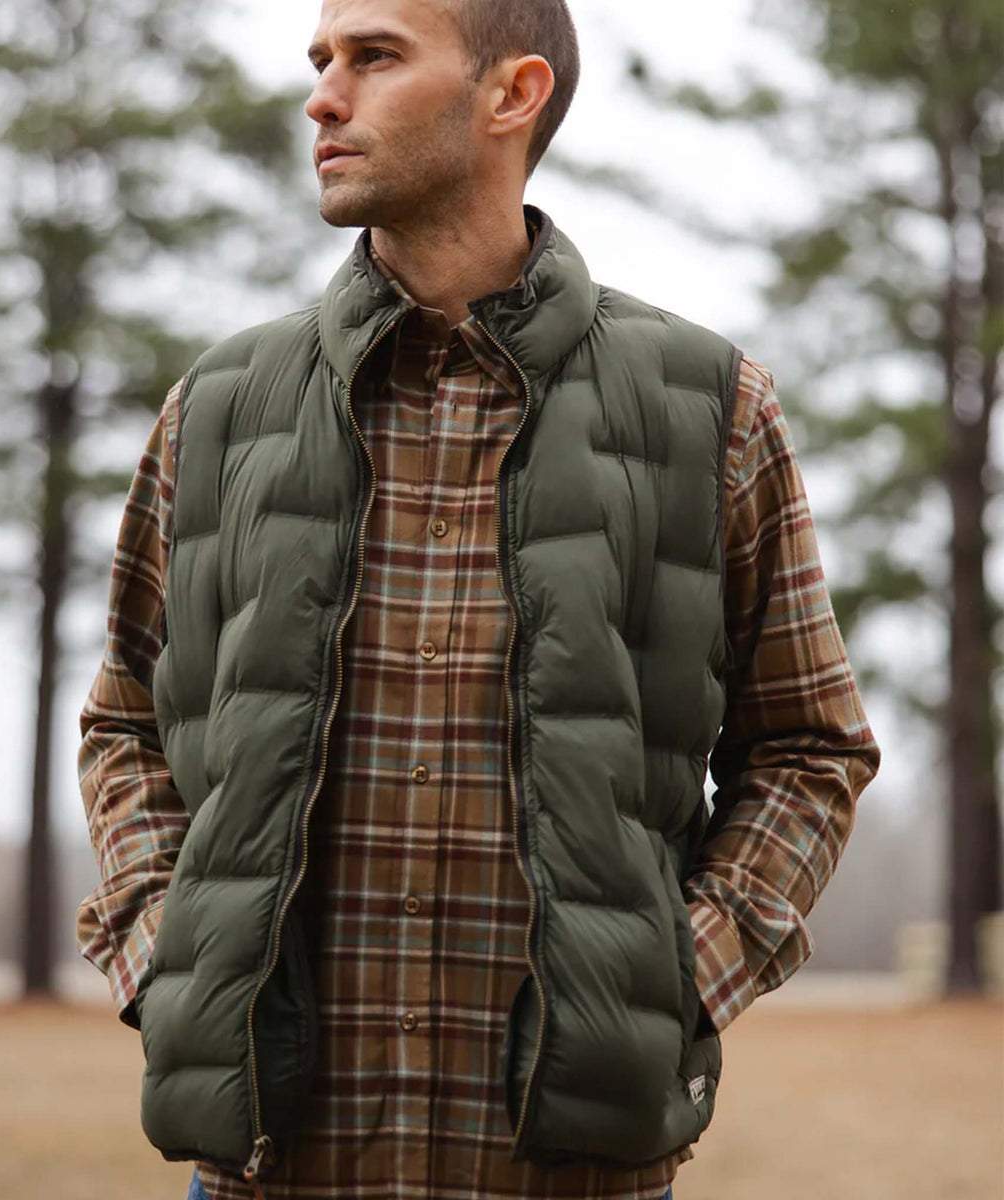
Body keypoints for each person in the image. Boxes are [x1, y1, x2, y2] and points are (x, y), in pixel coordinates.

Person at [75, 1, 881, 1197]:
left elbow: (810, 748)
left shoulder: (711, 409)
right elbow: (127, 723)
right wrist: (167, 949)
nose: (321, 98)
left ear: (514, 94)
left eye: (374, 57)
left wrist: (671, 979)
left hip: (568, 1172)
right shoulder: (221, 408)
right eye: (320, 62)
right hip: (274, 1167)